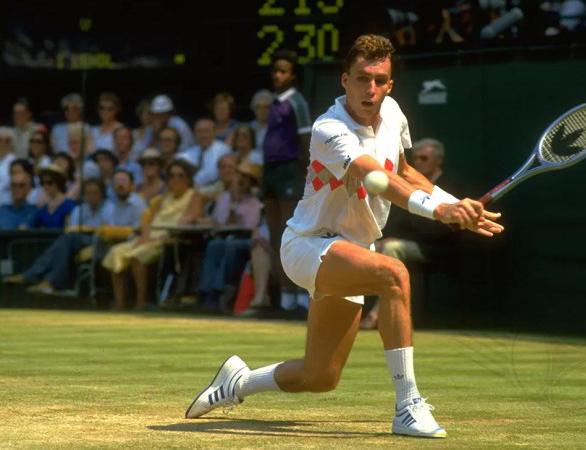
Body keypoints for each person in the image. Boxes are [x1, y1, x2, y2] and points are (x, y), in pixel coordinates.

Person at [184, 35, 504, 439]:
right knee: (395, 274)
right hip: (307, 245)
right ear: (344, 80)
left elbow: (404, 172)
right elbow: (379, 178)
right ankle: (407, 407)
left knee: (320, 376)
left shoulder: (394, 114)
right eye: (361, 78)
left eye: (379, 80)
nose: (369, 89)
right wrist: (438, 210)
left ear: (390, 84)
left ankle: (237, 383)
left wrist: (456, 205)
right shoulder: (329, 128)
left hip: (352, 250)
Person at [359, 138, 460, 329]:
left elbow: (441, 232)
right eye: (416, 159)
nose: (419, 163)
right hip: (413, 245)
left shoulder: (450, 187)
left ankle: (378, 314)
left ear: (438, 161)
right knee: (376, 246)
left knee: (391, 247)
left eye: (424, 158)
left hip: (439, 250)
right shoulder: (411, 189)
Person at [102, 159, 203, 310]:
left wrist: (184, 222)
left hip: (169, 240)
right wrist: (144, 238)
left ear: (187, 178)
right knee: (116, 251)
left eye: (180, 176)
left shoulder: (194, 196)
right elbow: (149, 222)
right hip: (150, 238)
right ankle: (120, 303)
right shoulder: (161, 199)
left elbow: (192, 217)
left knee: (138, 257)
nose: (175, 179)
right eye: (171, 176)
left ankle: (140, 302)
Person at [261, 49, 313, 311]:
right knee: (274, 235)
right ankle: (284, 298)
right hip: (270, 172)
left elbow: (306, 138)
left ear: (293, 75)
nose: (278, 75)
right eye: (275, 71)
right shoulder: (273, 102)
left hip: (290, 171)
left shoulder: (297, 102)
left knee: (289, 234)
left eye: (283, 71)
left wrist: (305, 171)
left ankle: (300, 296)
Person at [4, 177, 106, 293]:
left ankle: (33, 277)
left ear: (102, 194)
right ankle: (47, 282)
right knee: (64, 242)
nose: (91, 196)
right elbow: (72, 230)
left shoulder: (108, 208)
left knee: (66, 240)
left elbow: (106, 230)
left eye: (94, 193)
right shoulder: (79, 209)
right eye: (88, 193)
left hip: (100, 242)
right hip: (78, 240)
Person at [196, 160, 264, 313]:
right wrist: (233, 202)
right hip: (225, 236)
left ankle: (219, 292)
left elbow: (250, 226)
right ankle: (207, 292)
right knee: (214, 245)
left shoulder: (255, 202)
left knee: (230, 246)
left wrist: (237, 209)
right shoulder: (224, 197)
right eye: (240, 177)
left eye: (246, 179)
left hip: (244, 238)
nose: (241, 182)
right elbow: (218, 222)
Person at [178, 118, 231, 188]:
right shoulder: (190, 151)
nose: (203, 135)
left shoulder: (223, 150)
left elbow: (213, 174)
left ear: (215, 133)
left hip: (214, 189)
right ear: (194, 134)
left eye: (207, 131)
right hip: (191, 188)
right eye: (200, 131)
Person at [33, 163, 76, 229]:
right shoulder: (43, 206)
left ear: (58, 182)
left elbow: (69, 229)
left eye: (49, 182)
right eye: (42, 183)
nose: (45, 186)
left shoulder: (68, 204)